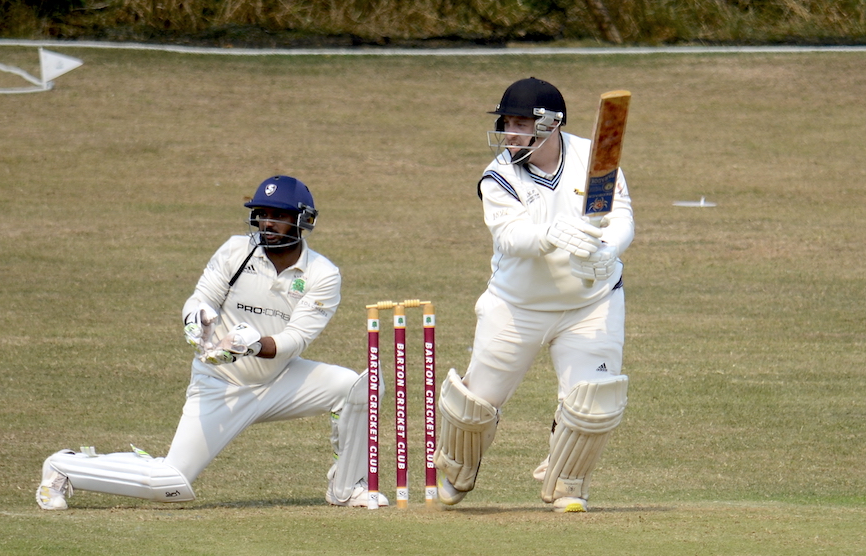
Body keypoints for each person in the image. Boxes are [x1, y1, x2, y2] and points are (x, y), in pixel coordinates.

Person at [36, 175, 388, 510]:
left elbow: (295, 340)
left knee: (359, 386)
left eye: (278, 216)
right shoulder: (236, 251)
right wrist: (196, 317)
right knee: (170, 484)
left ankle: (346, 488)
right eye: (262, 215)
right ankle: (67, 466)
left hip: (279, 380)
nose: (267, 224)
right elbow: (201, 298)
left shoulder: (322, 274)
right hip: (220, 384)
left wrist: (253, 343)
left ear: (302, 220)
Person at [433, 78, 633, 513]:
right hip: (517, 305)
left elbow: (620, 217)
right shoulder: (498, 175)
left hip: (590, 302)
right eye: (507, 122)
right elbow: (510, 237)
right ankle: (457, 469)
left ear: (551, 124)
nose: (509, 133)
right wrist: (552, 234)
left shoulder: (595, 158)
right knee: (474, 405)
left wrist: (608, 251)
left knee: (592, 401)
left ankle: (567, 486)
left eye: (520, 123)